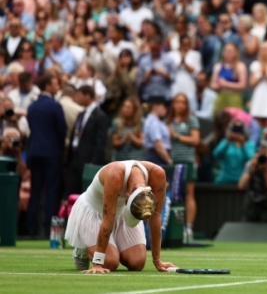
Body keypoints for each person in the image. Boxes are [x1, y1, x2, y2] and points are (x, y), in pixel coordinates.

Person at [65, 160, 177, 273]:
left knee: (137, 263)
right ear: (127, 196)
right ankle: (83, 248)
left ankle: (112, 246)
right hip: (96, 213)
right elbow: (107, 220)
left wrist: (157, 261)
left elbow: (155, 218)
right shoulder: (115, 174)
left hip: (121, 213)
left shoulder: (158, 174)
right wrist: (97, 263)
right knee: (110, 263)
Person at [26, 73, 67, 237]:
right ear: (48, 86)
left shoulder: (32, 106)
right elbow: (62, 130)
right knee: (51, 191)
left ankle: (31, 228)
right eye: (56, 84)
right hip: (52, 153)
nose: (58, 87)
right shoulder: (55, 106)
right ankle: (48, 228)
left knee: (35, 190)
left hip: (34, 151)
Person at [166, 93, 200, 243]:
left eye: (183, 103)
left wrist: (177, 136)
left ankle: (189, 228)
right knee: (172, 195)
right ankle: (173, 228)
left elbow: (195, 140)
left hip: (187, 161)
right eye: (177, 102)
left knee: (189, 194)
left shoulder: (191, 120)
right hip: (171, 163)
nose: (180, 105)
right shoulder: (167, 121)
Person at [66, 85, 108, 196]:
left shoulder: (100, 116)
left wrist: (93, 162)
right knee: (71, 191)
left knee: (85, 193)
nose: (77, 98)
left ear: (88, 96)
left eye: (79, 95)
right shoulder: (81, 114)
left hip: (88, 160)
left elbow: (100, 141)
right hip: (75, 158)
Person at [238, 141, 267, 222]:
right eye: (263, 153)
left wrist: (266, 171)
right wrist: (252, 168)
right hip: (251, 211)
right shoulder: (250, 165)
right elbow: (241, 186)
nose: (265, 156)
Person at [213, 119, 257, 185]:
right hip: (224, 180)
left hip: (241, 182)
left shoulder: (250, 144)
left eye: (239, 130)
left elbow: (250, 159)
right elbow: (216, 154)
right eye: (235, 130)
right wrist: (227, 142)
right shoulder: (225, 142)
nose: (237, 133)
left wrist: (243, 145)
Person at [137, 36, 176, 103]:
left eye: (156, 49)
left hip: (164, 96)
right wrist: (145, 78)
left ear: (161, 46)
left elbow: (174, 79)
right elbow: (138, 83)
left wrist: (165, 75)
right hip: (148, 96)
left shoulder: (169, 60)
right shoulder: (143, 61)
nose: (154, 51)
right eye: (152, 49)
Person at [110, 97, 144, 161]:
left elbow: (142, 142)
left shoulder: (141, 123)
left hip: (136, 160)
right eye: (124, 107)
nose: (125, 110)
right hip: (120, 160)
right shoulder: (116, 123)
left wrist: (131, 137)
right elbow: (114, 143)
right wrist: (124, 140)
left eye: (128, 108)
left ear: (135, 109)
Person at [143, 97, 173, 165]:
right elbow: (158, 146)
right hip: (156, 157)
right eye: (164, 106)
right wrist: (169, 161)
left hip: (157, 157)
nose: (166, 109)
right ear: (155, 106)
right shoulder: (153, 122)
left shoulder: (156, 121)